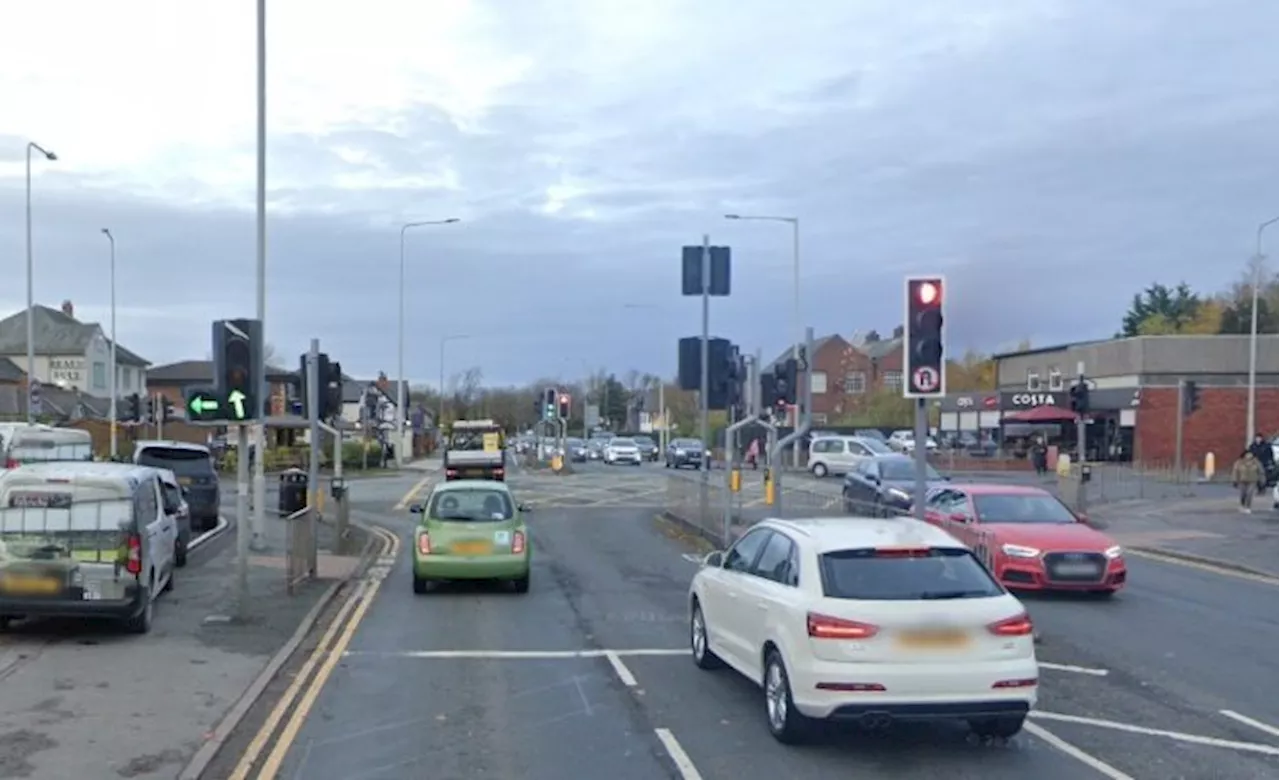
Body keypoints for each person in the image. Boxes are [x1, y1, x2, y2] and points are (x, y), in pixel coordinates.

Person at [1230, 449, 1263, 514]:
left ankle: (1248, 507)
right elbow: (1235, 471)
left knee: (1249, 493)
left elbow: (1261, 471)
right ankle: (1242, 504)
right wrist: (1234, 480)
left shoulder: (1256, 462)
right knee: (1243, 494)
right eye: (1247, 454)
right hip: (1242, 480)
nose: (1249, 456)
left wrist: (1262, 480)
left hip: (1253, 480)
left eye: (1250, 454)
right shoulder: (1239, 462)